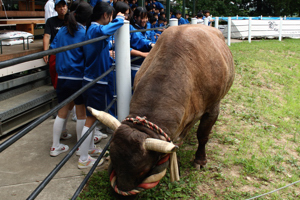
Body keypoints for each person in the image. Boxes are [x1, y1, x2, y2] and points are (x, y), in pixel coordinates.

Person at [80, 2, 125, 169]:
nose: (112, 19)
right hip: (95, 80)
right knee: (91, 119)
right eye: (111, 16)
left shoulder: (91, 29)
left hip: (93, 79)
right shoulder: (96, 29)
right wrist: (120, 20)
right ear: (106, 15)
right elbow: (107, 30)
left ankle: (89, 149)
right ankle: (83, 158)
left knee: (92, 117)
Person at [49, 2, 94, 159]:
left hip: (62, 77)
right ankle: (81, 148)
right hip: (77, 78)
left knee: (61, 112)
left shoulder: (62, 31)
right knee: (81, 114)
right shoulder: (84, 33)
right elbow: (88, 55)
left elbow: (53, 47)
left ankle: (55, 146)